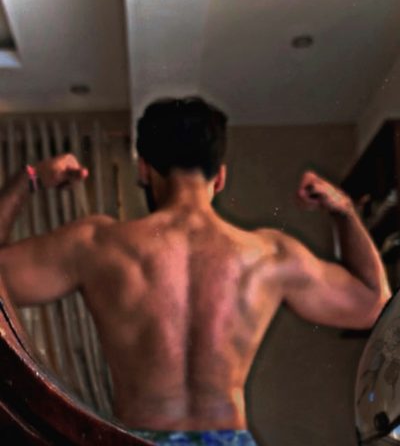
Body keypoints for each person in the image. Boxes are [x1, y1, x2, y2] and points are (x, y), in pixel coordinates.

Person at [0, 97, 391, 445]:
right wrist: (344, 211)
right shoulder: (269, 254)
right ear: (220, 176)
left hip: (135, 440)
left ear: (143, 170)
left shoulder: (96, 244)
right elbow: (374, 304)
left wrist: (27, 180)